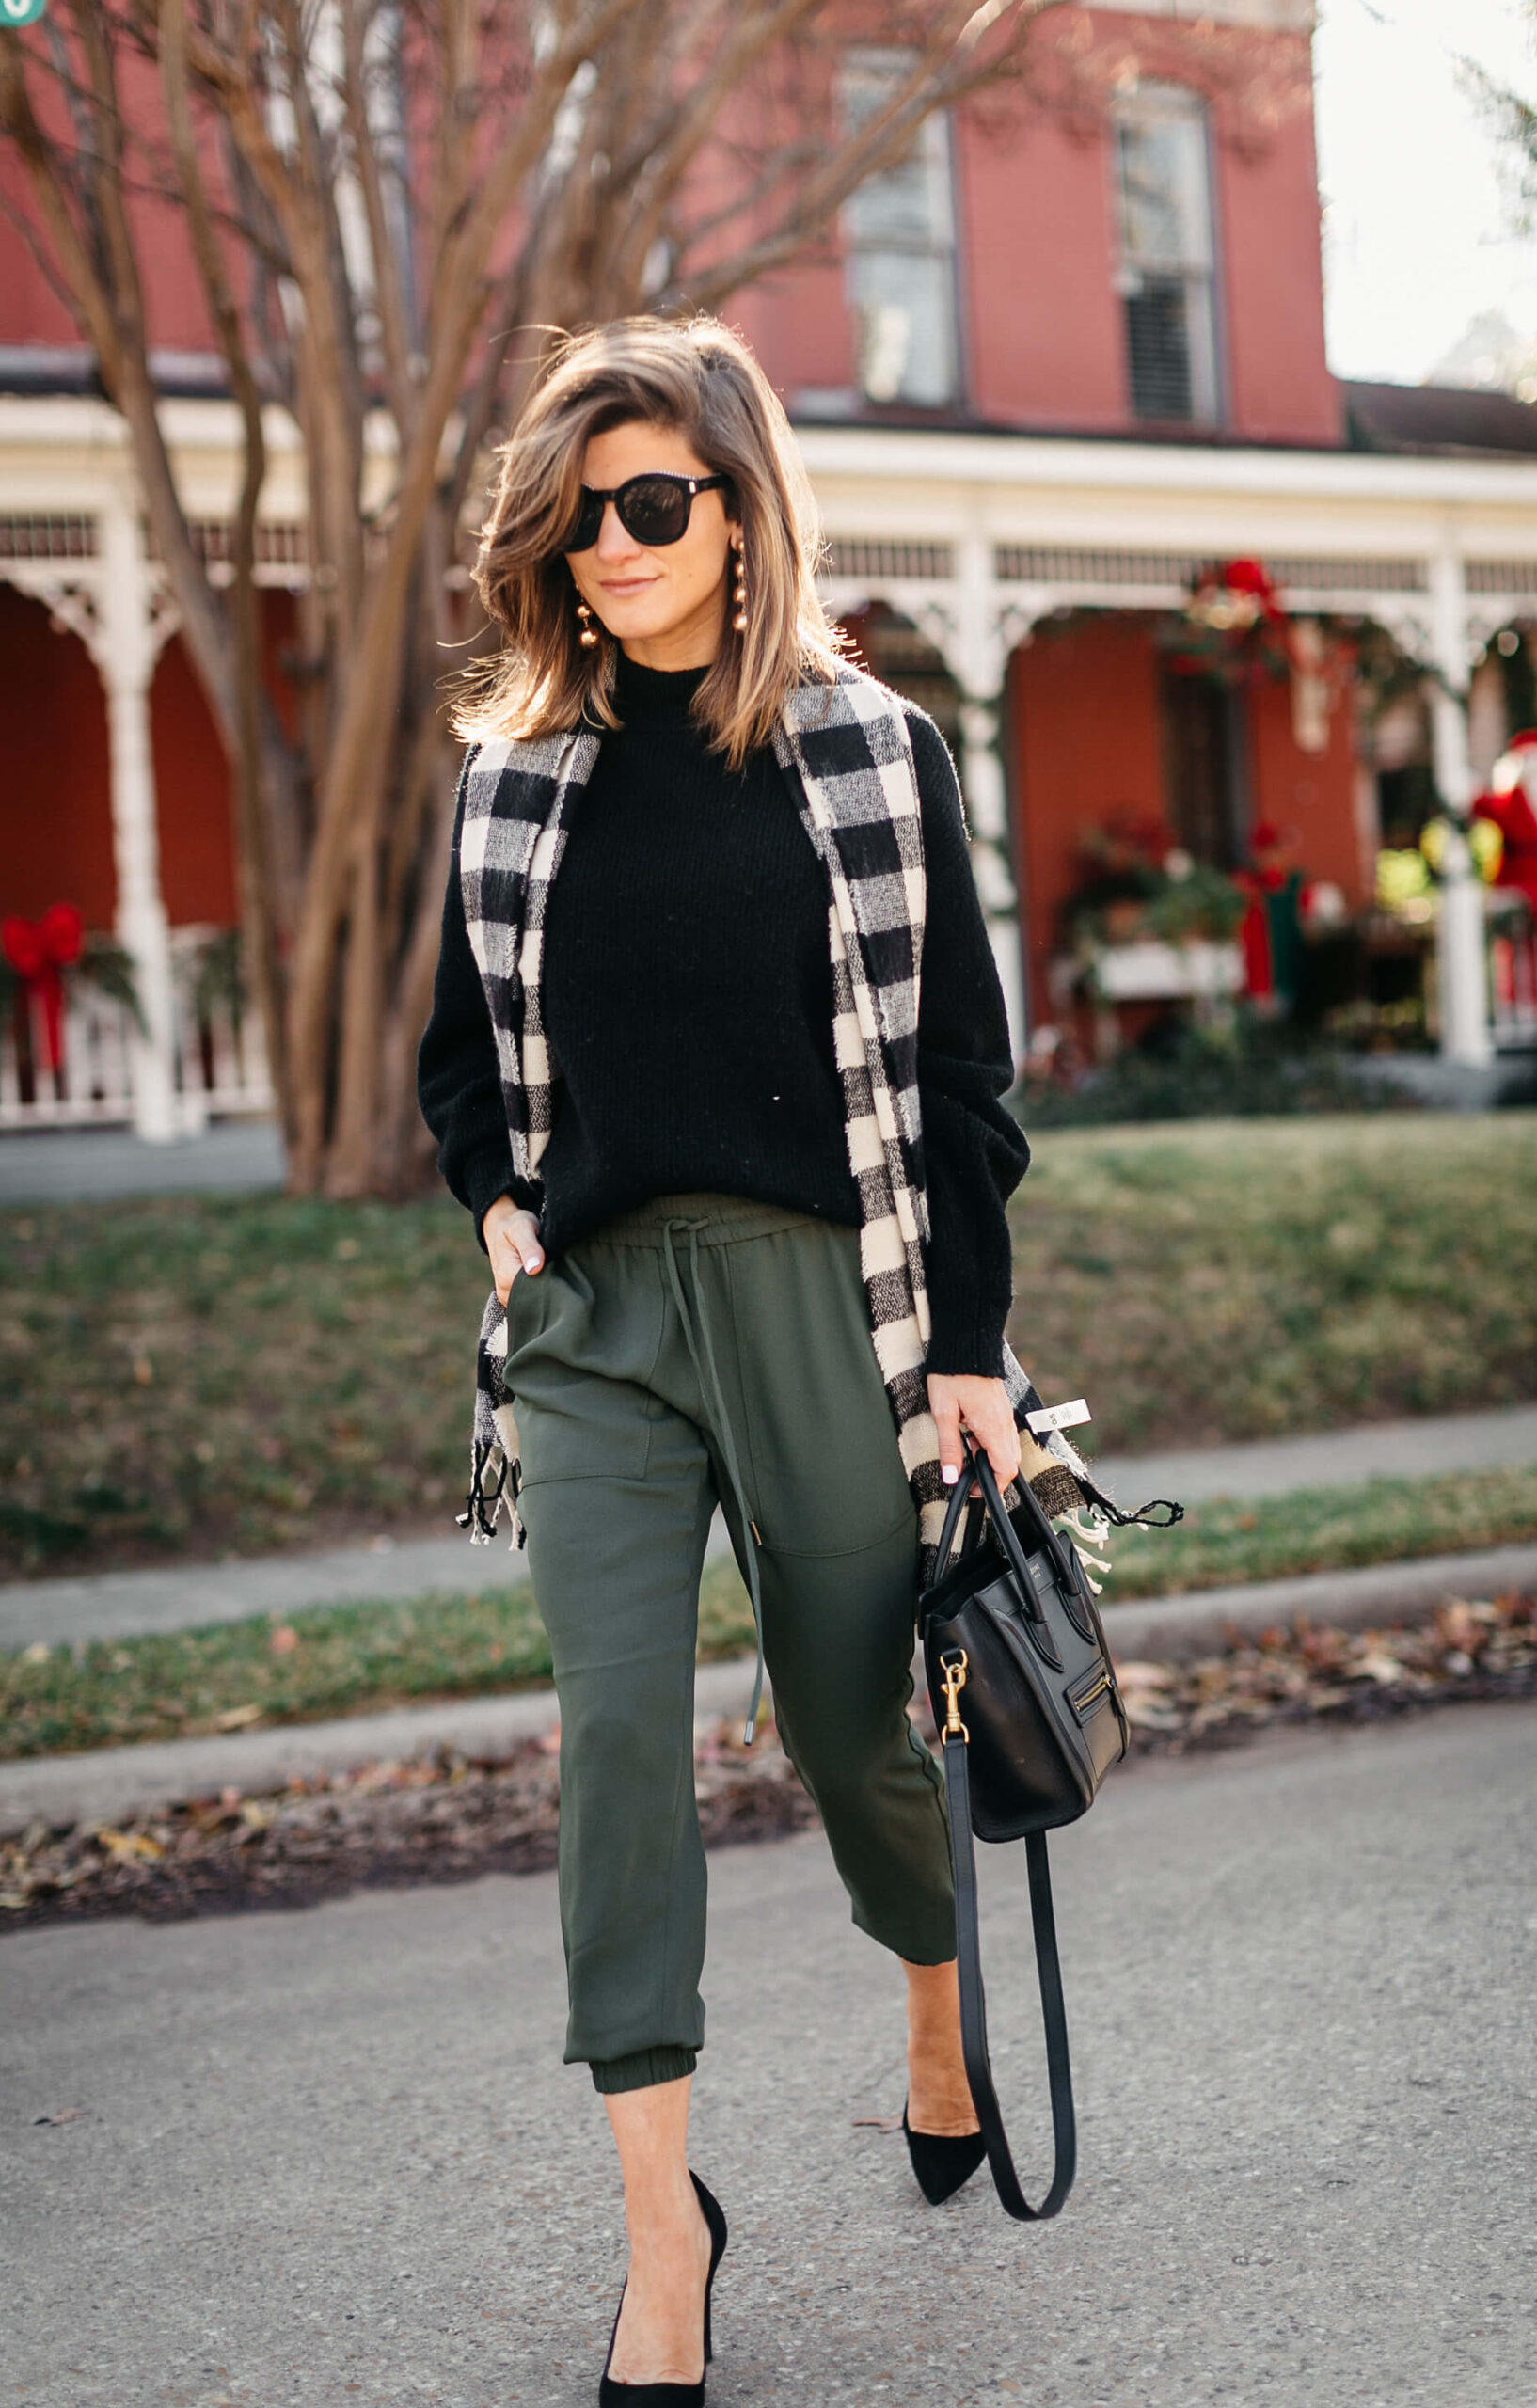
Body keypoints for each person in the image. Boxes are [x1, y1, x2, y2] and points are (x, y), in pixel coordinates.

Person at [418, 315, 1071, 2401]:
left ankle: (928, 2006)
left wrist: (963, 1347)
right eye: (574, 511)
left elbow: (961, 1077)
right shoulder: (514, 775)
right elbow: (459, 1066)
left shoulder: (870, 756)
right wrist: (498, 1205)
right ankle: (658, 2239)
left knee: (845, 1725)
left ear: (735, 511)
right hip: (596, 1328)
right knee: (615, 1746)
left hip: (823, 1301)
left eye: (647, 503)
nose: (607, 543)